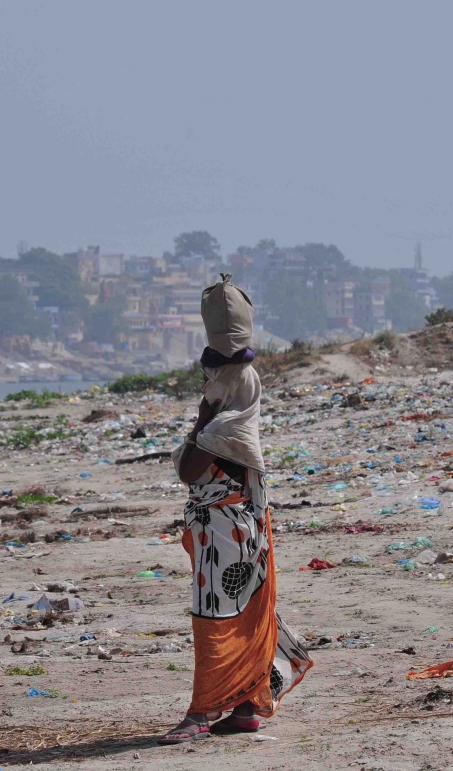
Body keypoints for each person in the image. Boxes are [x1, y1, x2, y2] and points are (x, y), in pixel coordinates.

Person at [159, 274, 312, 745]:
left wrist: (199, 422)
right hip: (241, 527)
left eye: (211, 383)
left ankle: (203, 711)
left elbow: (189, 471)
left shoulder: (225, 426)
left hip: (224, 534)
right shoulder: (242, 409)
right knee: (245, 613)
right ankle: (245, 708)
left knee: (216, 619)